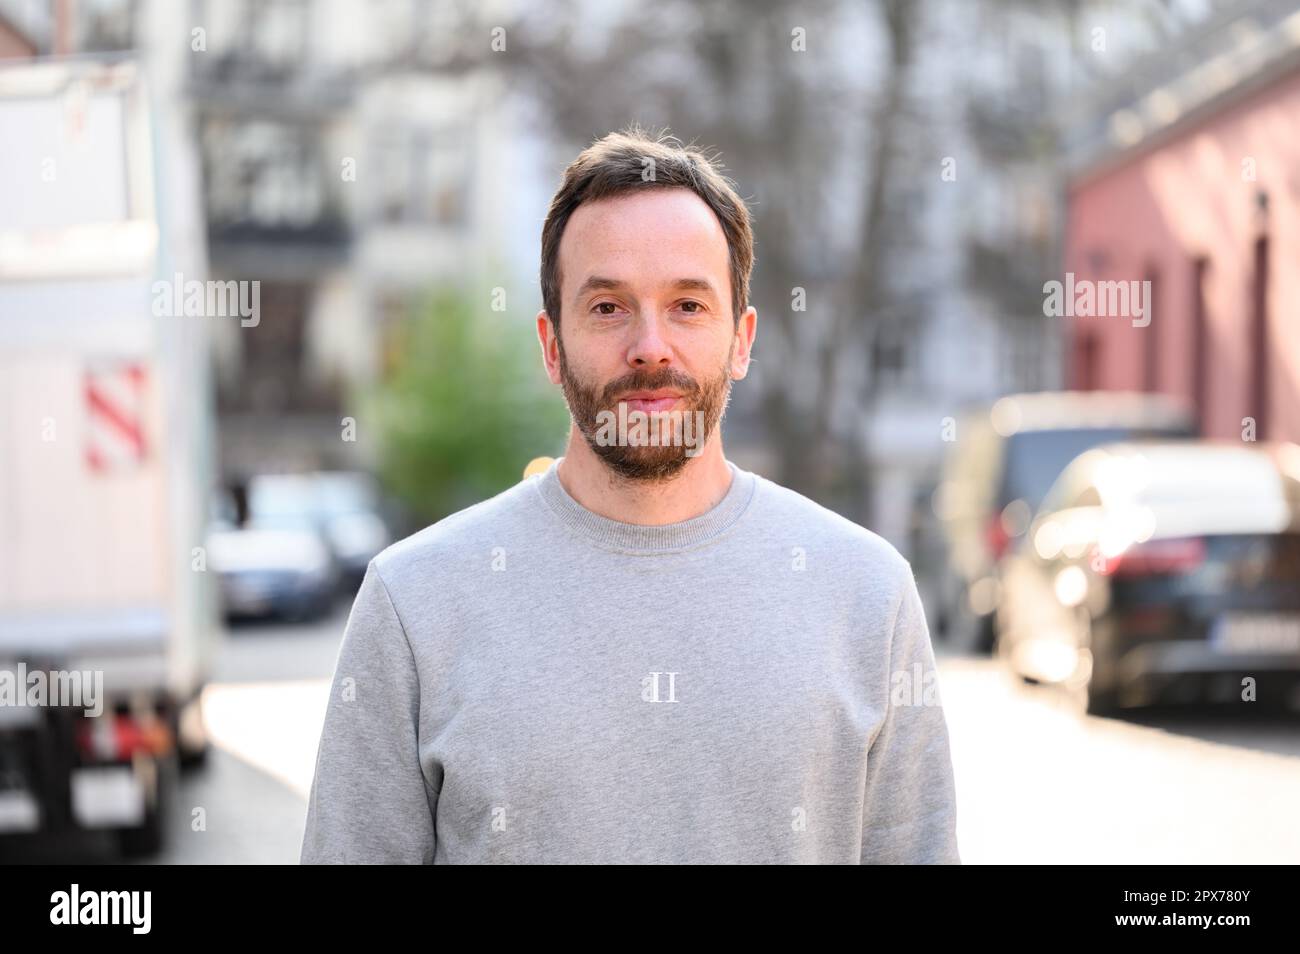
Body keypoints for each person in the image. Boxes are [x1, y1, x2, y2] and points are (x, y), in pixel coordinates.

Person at [300, 125, 960, 864]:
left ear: (742, 340)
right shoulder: (414, 603)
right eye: (608, 307)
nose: (650, 345)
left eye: (687, 305)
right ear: (551, 346)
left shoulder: (867, 593)